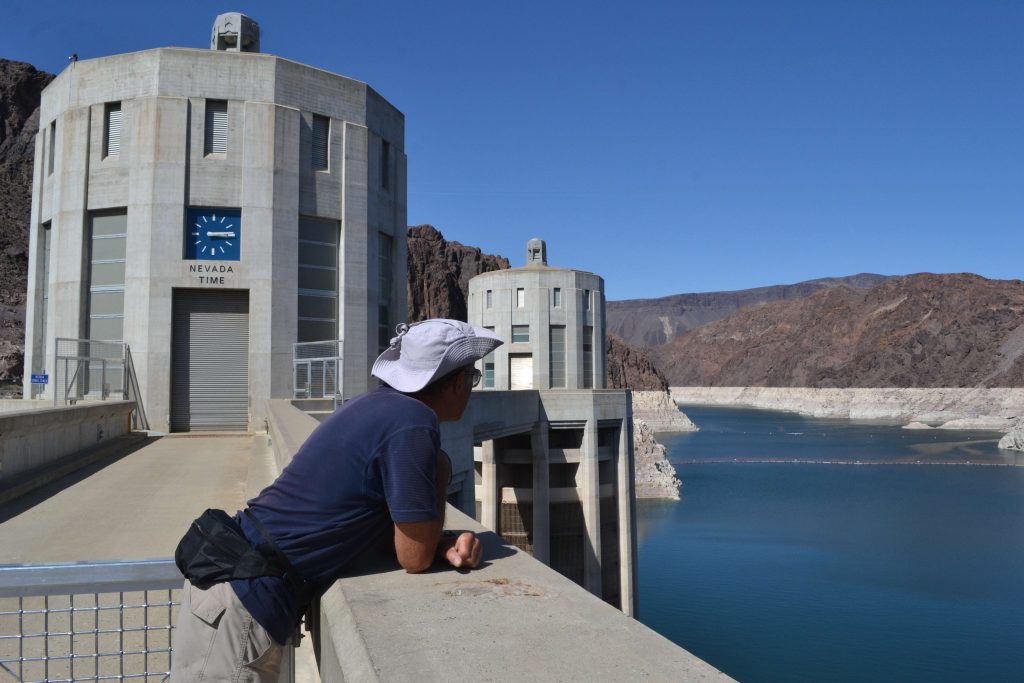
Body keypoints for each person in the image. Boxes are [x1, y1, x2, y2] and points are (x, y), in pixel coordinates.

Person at [170, 319, 503, 682]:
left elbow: (375, 523)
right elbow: (414, 558)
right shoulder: (413, 422)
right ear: (455, 382)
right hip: (243, 604)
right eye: (471, 378)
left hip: (233, 588)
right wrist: (441, 470)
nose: (470, 388)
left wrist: (440, 542)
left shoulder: (376, 405)